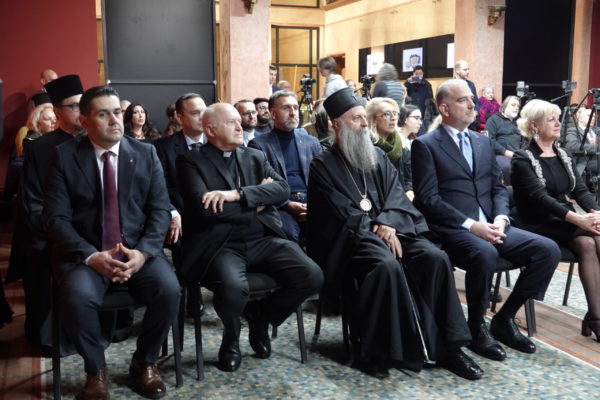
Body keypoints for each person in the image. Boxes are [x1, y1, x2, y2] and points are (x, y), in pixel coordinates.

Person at [308, 87, 481, 380]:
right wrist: (377, 230)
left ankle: (450, 348)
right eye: (356, 119)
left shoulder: (376, 155)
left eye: (364, 118)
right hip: (352, 241)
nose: (364, 124)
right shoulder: (322, 165)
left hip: (393, 229)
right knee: (385, 265)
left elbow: (397, 195)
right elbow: (339, 214)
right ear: (336, 124)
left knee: (434, 257)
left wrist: (388, 223)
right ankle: (383, 351)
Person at [44, 85, 180, 400]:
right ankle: (96, 370)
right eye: (103, 114)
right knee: (77, 297)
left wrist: (143, 253)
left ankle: (144, 362)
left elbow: (160, 210)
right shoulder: (64, 157)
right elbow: (56, 219)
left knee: (169, 290)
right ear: (85, 121)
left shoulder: (145, 153)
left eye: (117, 112)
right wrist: (91, 256)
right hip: (86, 253)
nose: (114, 120)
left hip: (136, 249)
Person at [411, 79, 560, 362]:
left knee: (548, 250)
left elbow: (497, 188)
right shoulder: (425, 144)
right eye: (463, 100)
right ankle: (476, 326)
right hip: (454, 228)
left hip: (492, 224)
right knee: (485, 253)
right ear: (444, 108)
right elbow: (428, 199)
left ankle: (504, 318)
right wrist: (472, 225)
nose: (472, 104)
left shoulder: (482, 141)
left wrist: (501, 218)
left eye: (472, 98)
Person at [176, 102, 323, 372]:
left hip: (262, 238)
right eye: (231, 122)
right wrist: (257, 203)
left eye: (238, 121)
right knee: (233, 288)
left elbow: (282, 190)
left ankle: (261, 318)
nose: (240, 126)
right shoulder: (191, 161)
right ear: (210, 130)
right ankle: (231, 339)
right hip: (221, 244)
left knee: (312, 276)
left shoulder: (254, 156)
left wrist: (238, 195)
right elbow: (206, 210)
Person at [511, 99, 600, 341]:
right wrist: (579, 220)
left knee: (589, 243)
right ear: (535, 126)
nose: (558, 123)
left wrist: (596, 213)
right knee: (594, 235)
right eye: (551, 119)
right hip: (535, 221)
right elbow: (540, 198)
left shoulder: (563, 154)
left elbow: (580, 190)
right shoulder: (522, 158)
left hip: (563, 219)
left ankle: (595, 314)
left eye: (558, 118)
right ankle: (597, 317)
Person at [21, 74, 85, 349]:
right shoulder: (41, 148)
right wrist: (58, 231)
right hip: (50, 232)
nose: (82, 111)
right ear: (58, 112)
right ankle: (52, 339)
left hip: (89, 230)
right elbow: (33, 199)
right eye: (74, 106)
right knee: (41, 258)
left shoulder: (94, 141)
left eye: (84, 105)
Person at [249, 91, 322, 242]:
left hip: (312, 201)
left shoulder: (311, 142)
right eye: (286, 108)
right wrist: (287, 204)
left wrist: (314, 204)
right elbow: (261, 184)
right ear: (273, 114)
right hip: (281, 204)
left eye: (295, 107)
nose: (293, 113)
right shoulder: (259, 145)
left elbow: (323, 179)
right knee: (287, 233)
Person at [366, 97, 413, 199]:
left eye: (395, 113)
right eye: (387, 114)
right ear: (374, 120)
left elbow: (408, 178)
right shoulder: (366, 148)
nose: (393, 118)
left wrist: (409, 190)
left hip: (401, 199)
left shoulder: (401, 145)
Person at [485, 95, 523, 184]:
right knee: (508, 167)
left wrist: (522, 153)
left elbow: (525, 140)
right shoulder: (493, 120)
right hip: (500, 154)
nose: (516, 108)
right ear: (504, 106)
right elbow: (489, 140)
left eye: (518, 106)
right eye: (513, 105)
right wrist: (505, 152)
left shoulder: (519, 122)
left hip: (518, 155)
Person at [564, 107, 597, 180]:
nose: (593, 118)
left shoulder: (597, 131)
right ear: (581, 119)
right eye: (590, 116)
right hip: (585, 161)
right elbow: (572, 146)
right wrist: (595, 147)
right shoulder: (572, 130)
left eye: (594, 117)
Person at [454, 60, 480, 130]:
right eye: (465, 70)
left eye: (468, 69)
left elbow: (476, 102)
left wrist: (475, 112)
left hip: (471, 124)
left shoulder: (471, 84)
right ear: (457, 70)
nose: (468, 72)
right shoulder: (449, 85)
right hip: (457, 124)